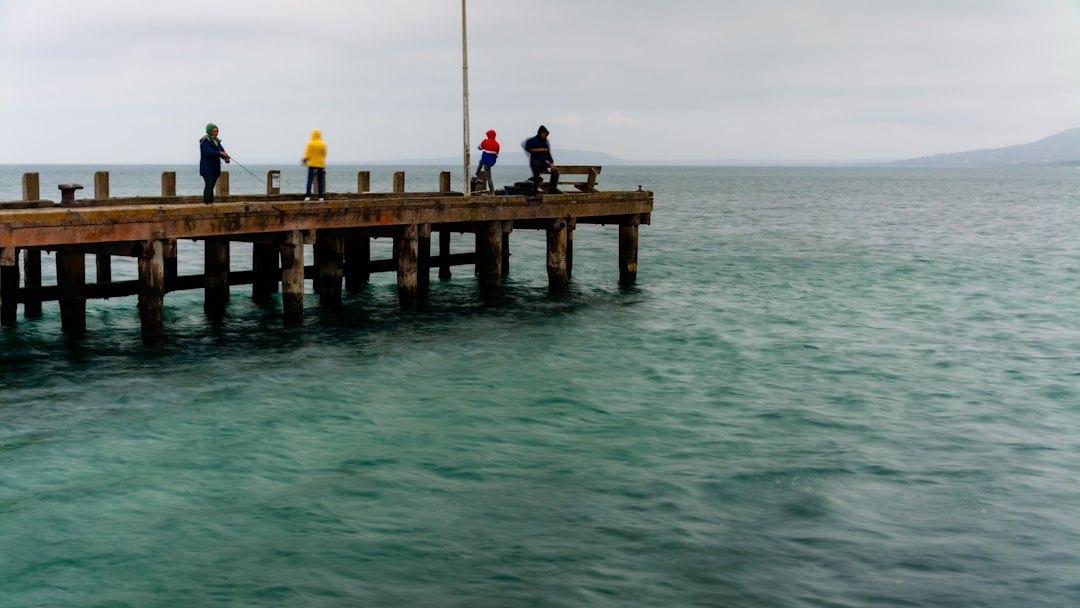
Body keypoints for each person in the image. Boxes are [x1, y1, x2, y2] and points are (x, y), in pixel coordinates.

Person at [523, 125, 560, 194]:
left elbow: (548, 154)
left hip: (543, 163)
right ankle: (534, 194)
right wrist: (531, 150)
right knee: (536, 178)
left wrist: (551, 162)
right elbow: (525, 145)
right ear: (539, 133)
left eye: (545, 133)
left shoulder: (546, 142)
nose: (544, 134)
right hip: (535, 163)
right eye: (543, 133)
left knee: (555, 171)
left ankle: (552, 190)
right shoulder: (533, 140)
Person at [199, 123, 230, 204]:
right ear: (209, 131)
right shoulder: (205, 141)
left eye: (217, 131)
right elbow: (209, 152)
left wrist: (226, 157)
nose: (216, 133)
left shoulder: (217, 141)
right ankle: (207, 202)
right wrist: (220, 153)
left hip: (215, 167)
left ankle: (211, 202)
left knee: (212, 185)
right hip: (206, 167)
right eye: (214, 131)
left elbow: (222, 151)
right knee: (208, 184)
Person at [302, 129, 328, 201]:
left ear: (312, 135)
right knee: (320, 181)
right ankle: (321, 197)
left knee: (310, 180)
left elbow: (307, 154)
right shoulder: (323, 144)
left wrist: (305, 159)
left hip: (312, 164)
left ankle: (308, 196)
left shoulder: (310, 144)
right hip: (321, 165)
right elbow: (324, 154)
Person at [475, 129, 500, 193]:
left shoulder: (485, 141)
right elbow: (496, 155)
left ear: (488, 135)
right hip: (491, 162)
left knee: (489, 177)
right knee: (481, 162)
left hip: (485, 160)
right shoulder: (497, 144)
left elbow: (479, 147)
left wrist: (481, 147)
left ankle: (492, 192)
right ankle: (476, 174)